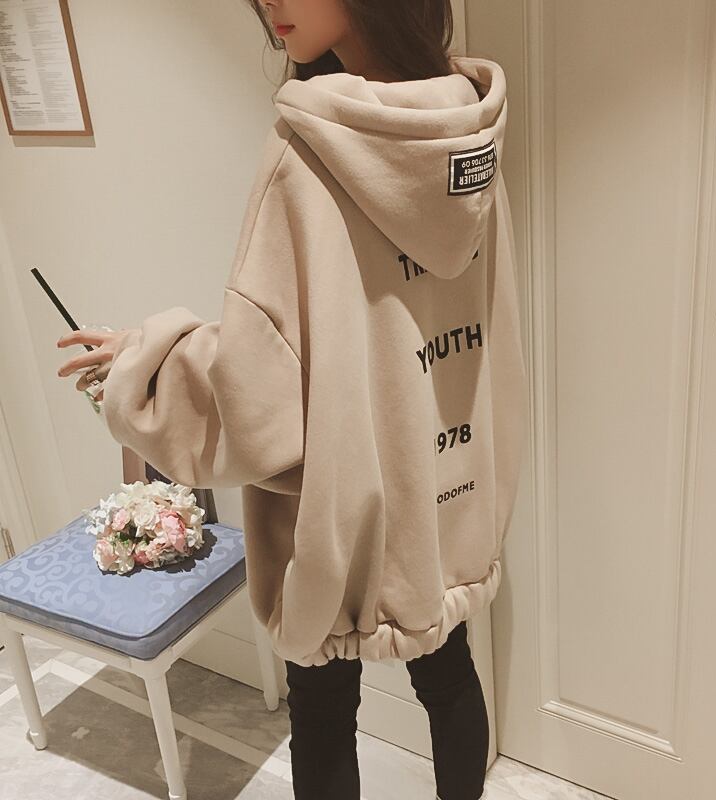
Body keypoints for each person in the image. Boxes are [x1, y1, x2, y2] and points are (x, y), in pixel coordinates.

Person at [55, 1, 527, 798]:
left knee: (322, 706)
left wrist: (144, 361)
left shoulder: (306, 152)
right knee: (448, 671)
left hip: (342, 497)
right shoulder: (464, 133)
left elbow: (261, 389)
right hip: (447, 481)